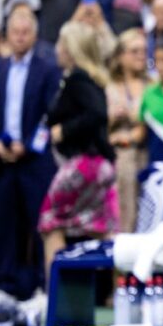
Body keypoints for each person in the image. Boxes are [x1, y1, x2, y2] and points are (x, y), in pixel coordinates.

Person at [38, 21, 118, 289]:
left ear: (71, 49)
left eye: (62, 44)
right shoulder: (92, 78)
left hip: (82, 164)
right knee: (100, 227)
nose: (57, 49)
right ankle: (116, 293)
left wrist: (65, 130)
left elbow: (97, 114)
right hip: (100, 165)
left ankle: (55, 295)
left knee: (51, 224)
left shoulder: (77, 78)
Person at [0, 11, 60, 302]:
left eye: (25, 31)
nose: (20, 36)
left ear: (34, 35)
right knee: (4, 222)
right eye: (15, 31)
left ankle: (40, 286)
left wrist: (29, 146)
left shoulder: (47, 68)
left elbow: (51, 115)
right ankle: (6, 287)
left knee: (40, 224)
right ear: (7, 35)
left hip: (35, 160)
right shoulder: (0, 68)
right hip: (3, 160)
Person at [106, 28, 150, 233]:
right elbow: (98, 127)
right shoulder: (109, 87)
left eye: (143, 50)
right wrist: (113, 118)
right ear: (120, 55)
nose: (141, 56)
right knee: (124, 214)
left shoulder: (153, 85)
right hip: (120, 159)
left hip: (148, 154)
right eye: (134, 51)